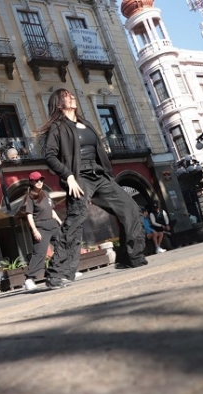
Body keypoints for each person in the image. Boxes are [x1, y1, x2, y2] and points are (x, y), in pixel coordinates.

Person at [39, 88, 146, 289]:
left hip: (99, 175)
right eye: (66, 96)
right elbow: (50, 156)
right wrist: (68, 176)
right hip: (79, 177)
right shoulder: (58, 127)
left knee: (129, 207)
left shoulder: (85, 123)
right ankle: (57, 274)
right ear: (58, 103)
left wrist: (107, 174)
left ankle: (129, 257)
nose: (72, 97)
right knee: (75, 221)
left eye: (72, 94)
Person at [24, 171, 63, 290]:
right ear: (31, 182)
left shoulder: (46, 193)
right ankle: (29, 279)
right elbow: (29, 215)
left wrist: (60, 222)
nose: (39, 182)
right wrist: (35, 230)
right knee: (39, 254)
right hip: (40, 226)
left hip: (52, 224)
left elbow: (51, 210)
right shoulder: (30, 197)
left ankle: (55, 273)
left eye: (41, 180)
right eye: (36, 180)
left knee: (63, 245)